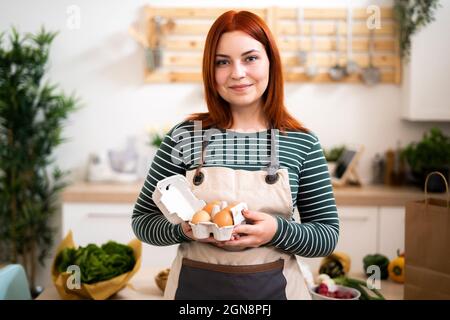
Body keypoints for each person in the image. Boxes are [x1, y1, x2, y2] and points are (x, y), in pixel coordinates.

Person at [132, 10, 339, 300]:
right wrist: (184, 229)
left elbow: (326, 236)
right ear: (210, 69)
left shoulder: (301, 142)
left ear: (270, 62)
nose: (237, 73)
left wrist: (276, 231)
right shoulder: (185, 137)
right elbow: (143, 222)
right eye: (222, 62)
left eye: (250, 58)